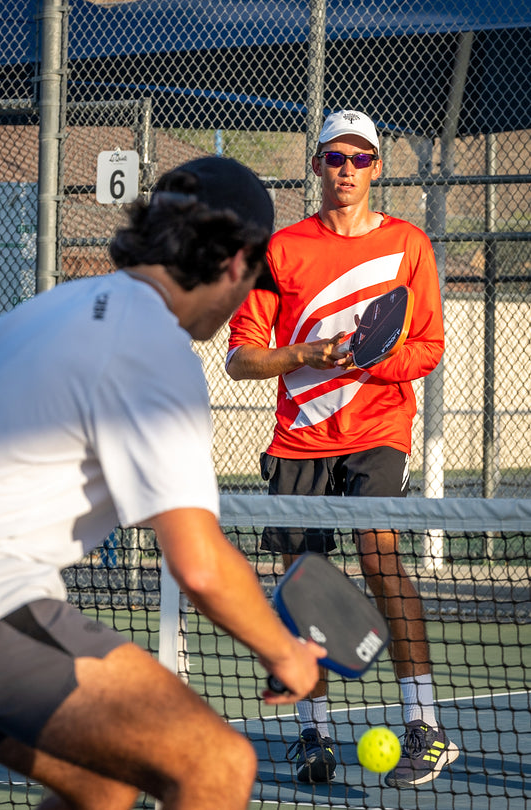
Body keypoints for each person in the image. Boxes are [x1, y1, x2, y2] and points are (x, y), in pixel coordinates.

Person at [0, 156, 326, 810]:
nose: (245, 299)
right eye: (254, 280)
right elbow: (197, 564)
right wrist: (286, 652)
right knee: (218, 764)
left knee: (105, 783)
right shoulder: (151, 342)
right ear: (234, 263)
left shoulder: (50, 310)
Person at [226, 111, 460, 788]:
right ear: (318, 164)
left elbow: (428, 346)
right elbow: (243, 359)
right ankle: (314, 737)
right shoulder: (281, 252)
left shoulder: (408, 244)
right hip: (298, 440)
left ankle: (426, 727)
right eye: (335, 159)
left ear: (378, 168)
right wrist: (308, 354)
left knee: (379, 558)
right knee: (305, 587)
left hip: (377, 432)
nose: (347, 171)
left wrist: (364, 361)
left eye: (361, 160)